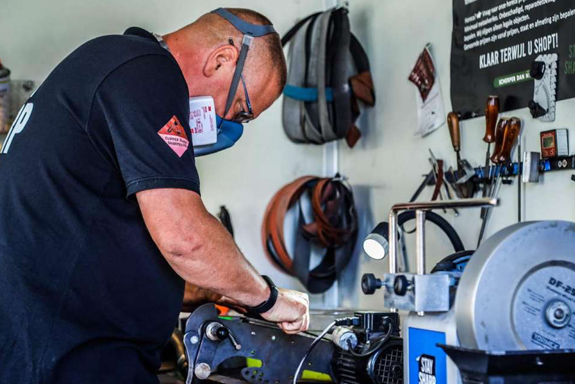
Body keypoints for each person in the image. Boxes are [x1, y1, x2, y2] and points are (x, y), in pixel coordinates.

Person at [0, 7, 309, 384]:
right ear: (222, 59)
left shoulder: (113, 63)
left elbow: (94, 229)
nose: (230, 126)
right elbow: (185, 239)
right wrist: (270, 299)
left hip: (50, 348)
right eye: (242, 111)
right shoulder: (148, 72)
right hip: (69, 359)